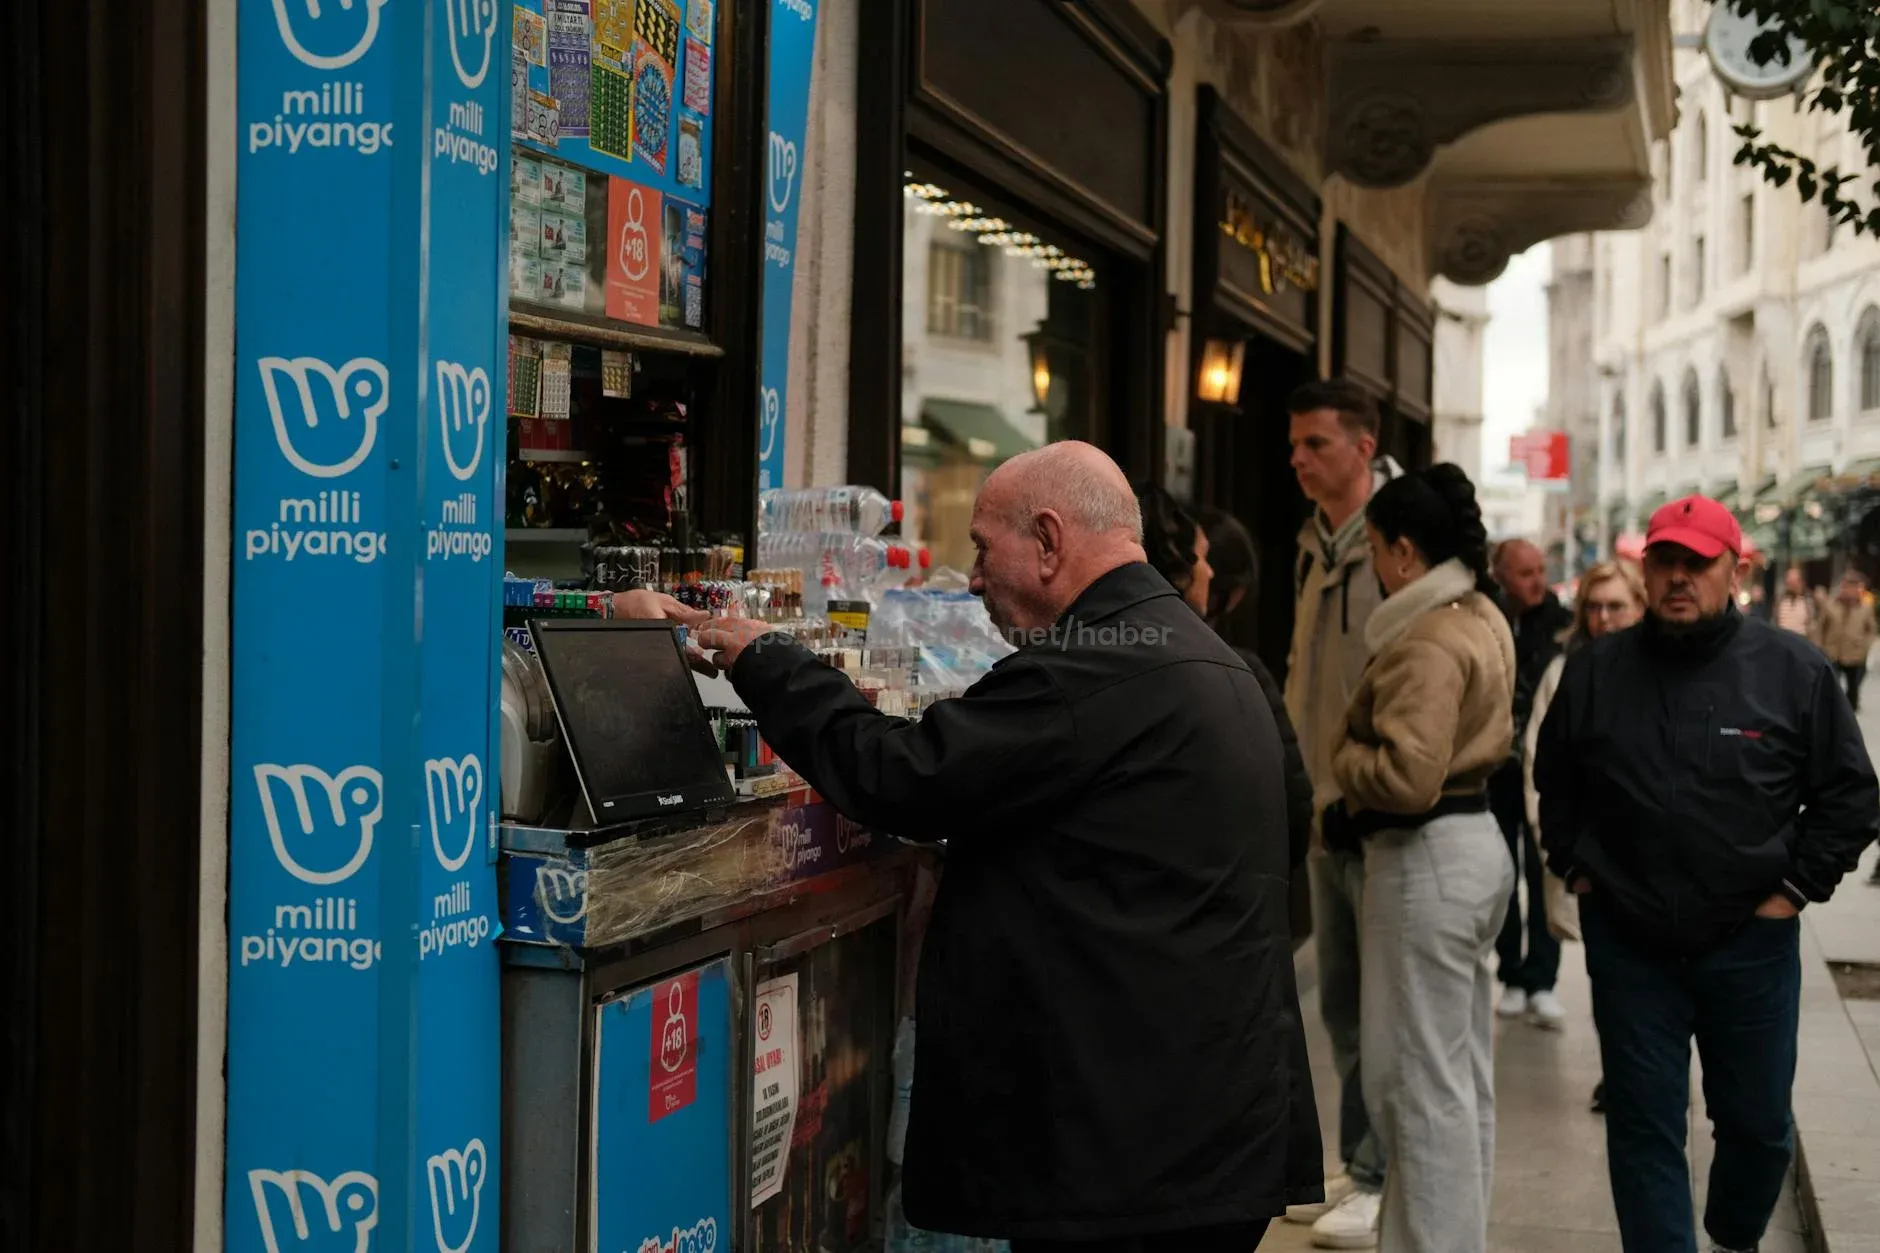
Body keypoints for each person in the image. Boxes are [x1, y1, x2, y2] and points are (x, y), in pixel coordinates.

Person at [697, 442, 1321, 1250]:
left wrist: (766, 658)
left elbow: (902, 776)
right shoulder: (1204, 656)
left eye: (985, 549)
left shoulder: (1092, 670)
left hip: (1135, 1155)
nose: (973, 579)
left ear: (1051, 540)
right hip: (1204, 1132)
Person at [1535, 495, 1879, 1253]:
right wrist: (1578, 867)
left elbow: (1851, 799)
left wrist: (1791, 894)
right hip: (1630, 943)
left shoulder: (1793, 670)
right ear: (1646, 567)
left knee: (1758, 1127)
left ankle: (1731, 1236)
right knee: (1642, 1121)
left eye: (1698, 562)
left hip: (1749, 944)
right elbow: (1553, 780)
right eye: (1666, 560)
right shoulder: (1596, 671)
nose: (1679, 576)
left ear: (1738, 569)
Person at [1324, 462, 1516, 1253]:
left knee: (1412, 1083)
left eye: (1373, 550)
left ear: (1404, 552)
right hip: (1470, 851)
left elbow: (1406, 773)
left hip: (1426, 857)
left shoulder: (1427, 637)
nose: (1372, 567)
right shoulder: (1478, 614)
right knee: (1456, 1079)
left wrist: (1346, 767)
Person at [1281, 378, 1400, 1248]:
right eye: (1295, 445)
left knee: (1382, 1008)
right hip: (1323, 806)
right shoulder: (1316, 542)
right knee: (1343, 1003)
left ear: (1363, 447)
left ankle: (1380, 1171)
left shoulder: (1400, 541)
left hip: (1379, 809)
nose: (1297, 459)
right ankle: (1360, 1157)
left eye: (1315, 443)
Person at [1522, 560, 1646, 1115]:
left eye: (1615, 606)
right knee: (1612, 977)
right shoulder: (1565, 670)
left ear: (1639, 607)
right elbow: (1537, 763)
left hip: (1666, 863)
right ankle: (1620, 1070)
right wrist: (1560, 847)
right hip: (1598, 862)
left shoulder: (1662, 668)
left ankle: (1648, 1070)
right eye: (1594, 607)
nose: (1602, 618)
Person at [1138, 484, 1311, 866]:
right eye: (1201, 558)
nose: (1208, 570)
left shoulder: (1087, 661)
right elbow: (1291, 814)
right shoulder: (1236, 674)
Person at [1488, 539, 1573, 1028]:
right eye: (1525, 572)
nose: (1537, 580)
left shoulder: (1561, 625)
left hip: (1544, 771)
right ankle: (1513, 975)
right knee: (1502, 874)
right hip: (1497, 769)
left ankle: (1543, 980)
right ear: (1501, 576)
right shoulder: (1489, 620)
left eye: (1541, 570)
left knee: (1545, 872)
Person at [1820, 569, 1877, 713]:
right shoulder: (1830, 606)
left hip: (1855, 653)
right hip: (1833, 652)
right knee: (1831, 685)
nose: (1849, 591)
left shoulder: (1865, 609)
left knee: (1853, 688)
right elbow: (1820, 627)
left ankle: (1850, 712)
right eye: (1846, 587)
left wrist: (1865, 647)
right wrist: (1820, 646)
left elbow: (1871, 630)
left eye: (1853, 587)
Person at [1773, 566, 1820, 642]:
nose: (1789, 584)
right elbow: (1775, 621)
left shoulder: (1808, 602)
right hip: (1783, 642)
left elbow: (1813, 627)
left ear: (1800, 582)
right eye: (1788, 582)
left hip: (1801, 643)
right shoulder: (1781, 601)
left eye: (1792, 582)